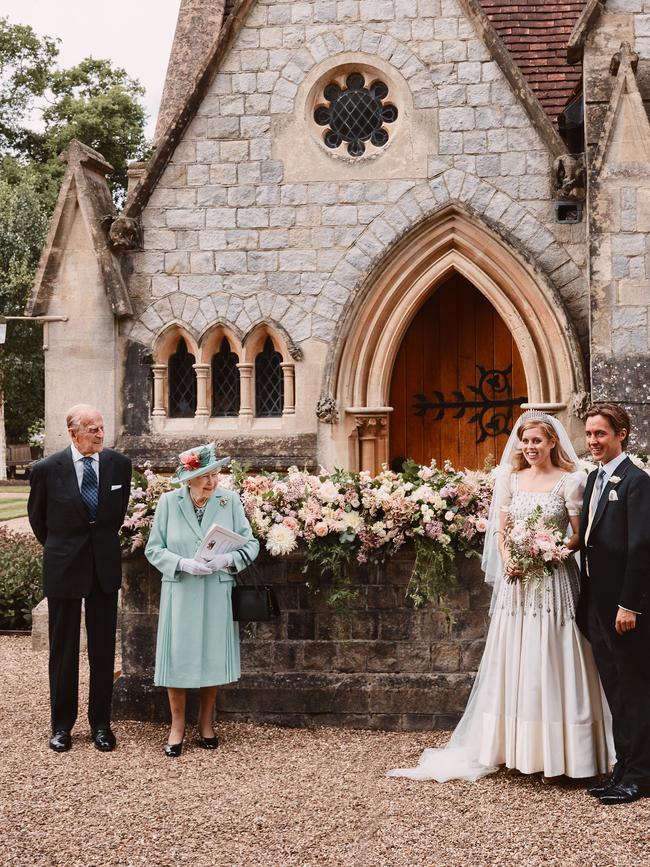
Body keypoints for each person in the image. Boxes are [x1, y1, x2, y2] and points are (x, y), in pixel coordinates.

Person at [389, 410, 611, 783]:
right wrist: (510, 559)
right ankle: (515, 748)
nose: (530, 447)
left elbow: (578, 534)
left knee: (555, 654)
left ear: (552, 442)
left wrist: (551, 552)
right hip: (517, 583)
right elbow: (500, 532)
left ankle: (566, 752)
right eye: (525, 441)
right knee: (517, 654)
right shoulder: (511, 478)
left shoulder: (572, 481)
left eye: (537, 440)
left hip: (554, 581)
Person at [27, 404, 132, 753]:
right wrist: (65, 550)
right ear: (73, 433)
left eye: (102, 428)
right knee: (63, 650)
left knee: (103, 650)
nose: (101, 434)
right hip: (63, 567)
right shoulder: (45, 470)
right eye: (92, 429)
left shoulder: (120, 465)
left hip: (103, 568)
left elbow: (115, 517)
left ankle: (101, 723)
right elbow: (38, 521)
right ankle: (61, 726)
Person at [145, 443, 259, 757]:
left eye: (215, 474)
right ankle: (177, 725)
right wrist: (181, 563)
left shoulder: (229, 501)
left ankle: (206, 722)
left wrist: (227, 561)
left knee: (211, 655)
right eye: (204, 476)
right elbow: (154, 549)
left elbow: (250, 546)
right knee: (177, 657)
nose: (211, 482)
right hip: (180, 588)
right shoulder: (168, 502)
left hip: (215, 588)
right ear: (188, 478)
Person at [577, 403, 650, 805]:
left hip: (625, 610)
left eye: (600, 434)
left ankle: (639, 776)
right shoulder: (593, 480)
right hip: (597, 604)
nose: (593, 442)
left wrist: (629, 605)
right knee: (615, 691)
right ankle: (622, 768)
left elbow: (641, 548)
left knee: (635, 689)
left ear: (621, 433)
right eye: (589, 434)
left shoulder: (637, 482)